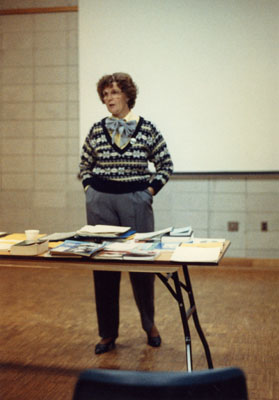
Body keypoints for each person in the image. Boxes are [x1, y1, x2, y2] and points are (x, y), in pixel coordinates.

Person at [79, 72, 173, 354]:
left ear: (127, 96)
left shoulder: (147, 129)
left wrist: (148, 193)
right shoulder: (97, 130)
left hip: (135, 201)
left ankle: (149, 325)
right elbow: (84, 164)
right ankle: (107, 333)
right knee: (104, 268)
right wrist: (90, 190)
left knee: (141, 265)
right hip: (101, 203)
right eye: (105, 94)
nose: (109, 99)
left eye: (114, 93)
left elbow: (165, 164)